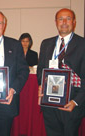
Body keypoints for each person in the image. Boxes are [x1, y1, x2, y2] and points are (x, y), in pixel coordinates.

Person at [37, 8, 85, 136]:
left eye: (68, 18)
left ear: (74, 22)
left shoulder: (82, 44)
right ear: (55, 22)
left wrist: (76, 101)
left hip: (71, 104)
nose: (64, 22)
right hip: (49, 104)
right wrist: (41, 86)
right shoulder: (46, 43)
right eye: (60, 19)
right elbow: (41, 69)